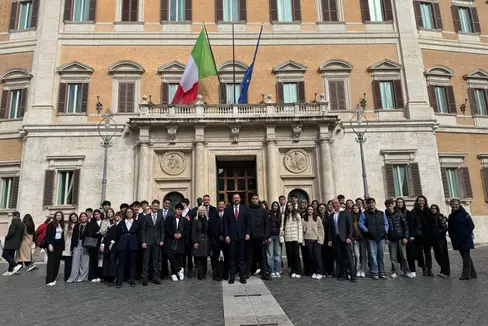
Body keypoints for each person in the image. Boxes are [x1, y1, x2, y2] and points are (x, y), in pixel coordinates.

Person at [224, 193, 251, 284]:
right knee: (232, 258)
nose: (236, 199)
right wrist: (226, 235)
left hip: (242, 237)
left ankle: (242, 277)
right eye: (234, 198)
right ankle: (232, 277)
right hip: (231, 237)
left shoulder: (245, 208)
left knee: (242, 258)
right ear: (232, 199)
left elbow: (248, 223)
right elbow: (225, 223)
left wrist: (247, 233)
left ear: (240, 199)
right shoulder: (227, 209)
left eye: (237, 198)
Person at [360, 198, 389, 280]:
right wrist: (367, 230)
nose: (371, 204)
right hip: (370, 238)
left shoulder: (381, 213)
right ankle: (374, 272)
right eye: (369, 203)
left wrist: (385, 231)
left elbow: (386, 223)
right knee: (372, 256)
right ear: (367, 205)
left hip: (381, 237)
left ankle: (382, 272)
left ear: (375, 203)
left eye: (372, 203)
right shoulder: (364, 214)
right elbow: (361, 224)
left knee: (381, 255)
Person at [447, 199, 476, 280]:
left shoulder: (465, 214)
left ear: (459, 204)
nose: (454, 206)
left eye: (456, 204)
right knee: (465, 257)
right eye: (452, 204)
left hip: (465, 239)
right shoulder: (451, 216)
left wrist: (465, 234)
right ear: (450, 205)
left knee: (465, 257)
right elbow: (450, 228)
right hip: (457, 240)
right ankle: (473, 273)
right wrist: (451, 235)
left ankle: (466, 274)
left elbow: (471, 226)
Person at [328, 199, 356, 282]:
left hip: (345, 238)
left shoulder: (346, 213)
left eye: (336, 203)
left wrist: (349, 237)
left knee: (349, 257)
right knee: (340, 257)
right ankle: (343, 274)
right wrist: (330, 240)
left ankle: (352, 275)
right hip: (336, 239)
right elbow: (330, 229)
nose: (334, 204)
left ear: (339, 203)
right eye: (333, 203)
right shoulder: (331, 215)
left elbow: (350, 227)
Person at [140, 199, 165, 286]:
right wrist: (143, 241)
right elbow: (143, 230)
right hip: (148, 241)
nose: (155, 207)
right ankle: (144, 278)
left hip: (157, 242)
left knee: (156, 261)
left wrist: (162, 240)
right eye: (154, 206)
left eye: (157, 206)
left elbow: (162, 229)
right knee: (146, 261)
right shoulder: (146, 217)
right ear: (151, 206)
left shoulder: (160, 216)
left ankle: (155, 278)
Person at [247, 194, 271, 280]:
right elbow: (245, 223)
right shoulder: (247, 210)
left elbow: (267, 224)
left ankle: (264, 273)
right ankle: (248, 272)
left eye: (256, 199)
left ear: (258, 200)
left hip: (261, 237)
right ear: (251, 200)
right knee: (249, 256)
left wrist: (266, 236)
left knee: (262, 256)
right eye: (253, 199)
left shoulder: (263, 210)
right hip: (250, 237)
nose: (255, 200)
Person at [385, 199, 411, 279]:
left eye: (390, 206)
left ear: (393, 205)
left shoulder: (399, 214)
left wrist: (405, 237)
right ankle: (395, 271)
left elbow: (405, 226)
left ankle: (406, 271)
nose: (389, 207)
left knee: (403, 256)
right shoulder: (385, 215)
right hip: (391, 239)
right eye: (387, 206)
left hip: (401, 238)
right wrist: (386, 238)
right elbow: (385, 228)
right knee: (393, 257)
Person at [115, 208, 140, 288]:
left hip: (133, 245)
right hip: (123, 245)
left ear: (133, 213)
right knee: (121, 264)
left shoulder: (137, 223)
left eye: (131, 212)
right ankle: (119, 281)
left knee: (132, 264)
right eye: (128, 212)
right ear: (125, 213)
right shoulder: (121, 223)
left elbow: (139, 234)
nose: (129, 213)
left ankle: (132, 280)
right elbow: (117, 234)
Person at [165, 203, 189, 282]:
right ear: (175, 209)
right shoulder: (169, 218)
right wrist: (173, 235)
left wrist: (181, 235)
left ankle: (177, 272)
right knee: (171, 257)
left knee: (179, 257)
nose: (179, 211)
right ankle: (175, 272)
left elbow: (186, 230)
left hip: (180, 241)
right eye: (178, 209)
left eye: (180, 209)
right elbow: (167, 229)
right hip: (171, 241)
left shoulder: (185, 220)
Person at [280, 202, 303, 278]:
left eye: (290, 205)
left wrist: (300, 239)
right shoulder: (284, 216)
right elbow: (282, 227)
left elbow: (300, 227)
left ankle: (298, 270)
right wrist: (282, 237)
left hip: (295, 238)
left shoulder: (297, 215)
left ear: (292, 206)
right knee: (290, 255)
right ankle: (293, 270)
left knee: (296, 255)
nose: (289, 207)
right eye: (288, 206)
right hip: (288, 239)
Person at [412, 195, 434, 276]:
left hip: (427, 234)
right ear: (417, 202)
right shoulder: (414, 211)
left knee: (428, 252)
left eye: (423, 200)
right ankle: (423, 268)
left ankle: (429, 269)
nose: (421, 202)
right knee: (420, 253)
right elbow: (413, 224)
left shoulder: (428, 210)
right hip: (419, 235)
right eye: (420, 200)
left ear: (425, 202)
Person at [302, 205, 324, 280]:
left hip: (316, 239)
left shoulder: (317, 218)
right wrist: (303, 241)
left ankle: (319, 272)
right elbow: (302, 231)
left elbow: (321, 229)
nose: (310, 211)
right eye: (309, 209)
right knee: (311, 257)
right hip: (308, 239)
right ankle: (314, 271)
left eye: (311, 209)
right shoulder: (304, 219)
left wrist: (320, 239)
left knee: (317, 257)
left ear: (313, 210)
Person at [67, 212, 90, 283]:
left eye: (84, 216)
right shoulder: (77, 226)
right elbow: (73, 237)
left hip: (86, 244)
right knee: (75, 262)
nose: (83, 217)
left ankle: (83, 277)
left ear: (87, 217)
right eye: (82, 216)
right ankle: (73, 277)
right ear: (80, 218)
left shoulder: (90, 225)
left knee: (84, 262)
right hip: (77, 244)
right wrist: (72, 248)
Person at [87, 209, 109, 282]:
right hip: (94, 243)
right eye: (95, 214)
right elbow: (90, 232)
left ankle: (101, 275)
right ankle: (93, 276)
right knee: (93, 259)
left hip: (102, 242)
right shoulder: (91, 223)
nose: (96, 215)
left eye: (98, 214)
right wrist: (97, 233)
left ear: (100, 214)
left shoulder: (104, 221)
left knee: (101, 260)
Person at [101, 211, 121, 286]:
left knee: (114, 262)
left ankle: (114, 278)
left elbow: (118, 236)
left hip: (116, 246)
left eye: (119, 216)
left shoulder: (121, 225)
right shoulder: (113, 226)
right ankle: (109, 277)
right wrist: (102, 244)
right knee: (109, 261)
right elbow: (107, 236)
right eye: (116, 216)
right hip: (109, 245)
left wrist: (113, 242)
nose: (117, 217)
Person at [45, 211, 65, 286]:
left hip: (59, 245)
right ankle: (49, 280)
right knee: (51, 261)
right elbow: (48, 235)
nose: (59, 217)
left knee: (57, 261)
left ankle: (53, 278)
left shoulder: (62, 225)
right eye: (57, 215)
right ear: (55, 216)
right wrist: (49, 244)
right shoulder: (51, 225)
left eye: (60, 215)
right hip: (52, 244)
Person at [2, 211, 25, 276]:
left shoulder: (14, 222)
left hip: (10, 242)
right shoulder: (22, 224)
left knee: (5, 255)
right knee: (11, 256)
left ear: (14, 216)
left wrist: (6, 237)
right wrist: (19, 242)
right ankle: (10, 270)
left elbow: (11, 232)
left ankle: (16, 265)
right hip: (16, 242)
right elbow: (22, 235)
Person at [431, 204, 450, 277]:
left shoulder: (440, 217)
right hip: (434, 239)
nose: (433, 210)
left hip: (441, 238)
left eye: (435, 208)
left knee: (443, 255)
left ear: (437, 209)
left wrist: (439, 232)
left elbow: (444, 228)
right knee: (437, 255)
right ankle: (443, 270)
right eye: (432, 208)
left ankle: (446, 272)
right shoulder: (431, 218)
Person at [192, 206, 210, 280]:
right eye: (201, 210)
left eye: (203, 210)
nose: (202, 212)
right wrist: (194, 242)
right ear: (198, 211)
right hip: (198, 240)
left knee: (204, 258)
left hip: (206, 241)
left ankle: (204, 273)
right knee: (199, 258)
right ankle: (200, 274)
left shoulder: (208, 219)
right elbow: (193, 232)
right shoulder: (195, 220)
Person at [208, 199, 224, 281]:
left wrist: (224, 235)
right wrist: (219, 235)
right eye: (219, 204)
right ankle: (215, 273)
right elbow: (211, 227)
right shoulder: (213, 215)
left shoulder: (227, 214)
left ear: (224, 206)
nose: (221, 206)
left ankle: (224, 273)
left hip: (225, 240)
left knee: (226, 257)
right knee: (215, 257)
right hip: (215, 240)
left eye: (222, 204)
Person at [160, 197, 175, 280]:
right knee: (161, 256)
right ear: (163, 203)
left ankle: (171, 272)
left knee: (168, 255)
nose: (167, 205)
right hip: (159, 237)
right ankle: (163, 272)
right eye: (166, 203)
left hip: (168, 237)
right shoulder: (158, 211)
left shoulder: (172, 213)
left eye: (169, 203)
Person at [267, 201, 282, 278]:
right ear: (272, 206)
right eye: (274, 206)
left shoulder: (280, 215)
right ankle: (271, 270)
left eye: (276, 206)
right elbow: (267, 226)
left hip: (278, 236)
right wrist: (268, 236)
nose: (275, 207)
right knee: (270, 254)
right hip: (270, 236)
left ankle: (277, 270)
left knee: (278, 254)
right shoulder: (269, 214)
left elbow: (281, 226)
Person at [319, 203, 334, 277]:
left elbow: (331, 228)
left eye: (323, 207)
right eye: (320, 208)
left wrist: (330, 239)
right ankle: (323, 270)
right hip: (319, 238)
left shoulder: (329, 217)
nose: (322, 209)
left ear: (325, 208)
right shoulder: (317, 217)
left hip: (327, 238)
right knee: (321, 255)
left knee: (329, 255)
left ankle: (330, 271)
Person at [351, 205, 366, 278]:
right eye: (354, 208)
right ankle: (357, 269)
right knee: (357, 255)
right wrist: (353, 237)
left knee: (363, 255)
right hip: (355, 238)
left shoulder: (362, 216)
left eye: (357, 208)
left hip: (363, 238)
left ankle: (362, 269)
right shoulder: (351, 218)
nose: (355, 209)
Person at [62, 213, 78, 281]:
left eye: (75, 217)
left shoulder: (79, 225)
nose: (74, 218)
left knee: (75, 262)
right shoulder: (68, 225)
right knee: (68, 262)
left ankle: (74, 276)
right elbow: (65, 236)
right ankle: (67, 276)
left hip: (76, 245)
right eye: (72, 217)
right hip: (68, 245)